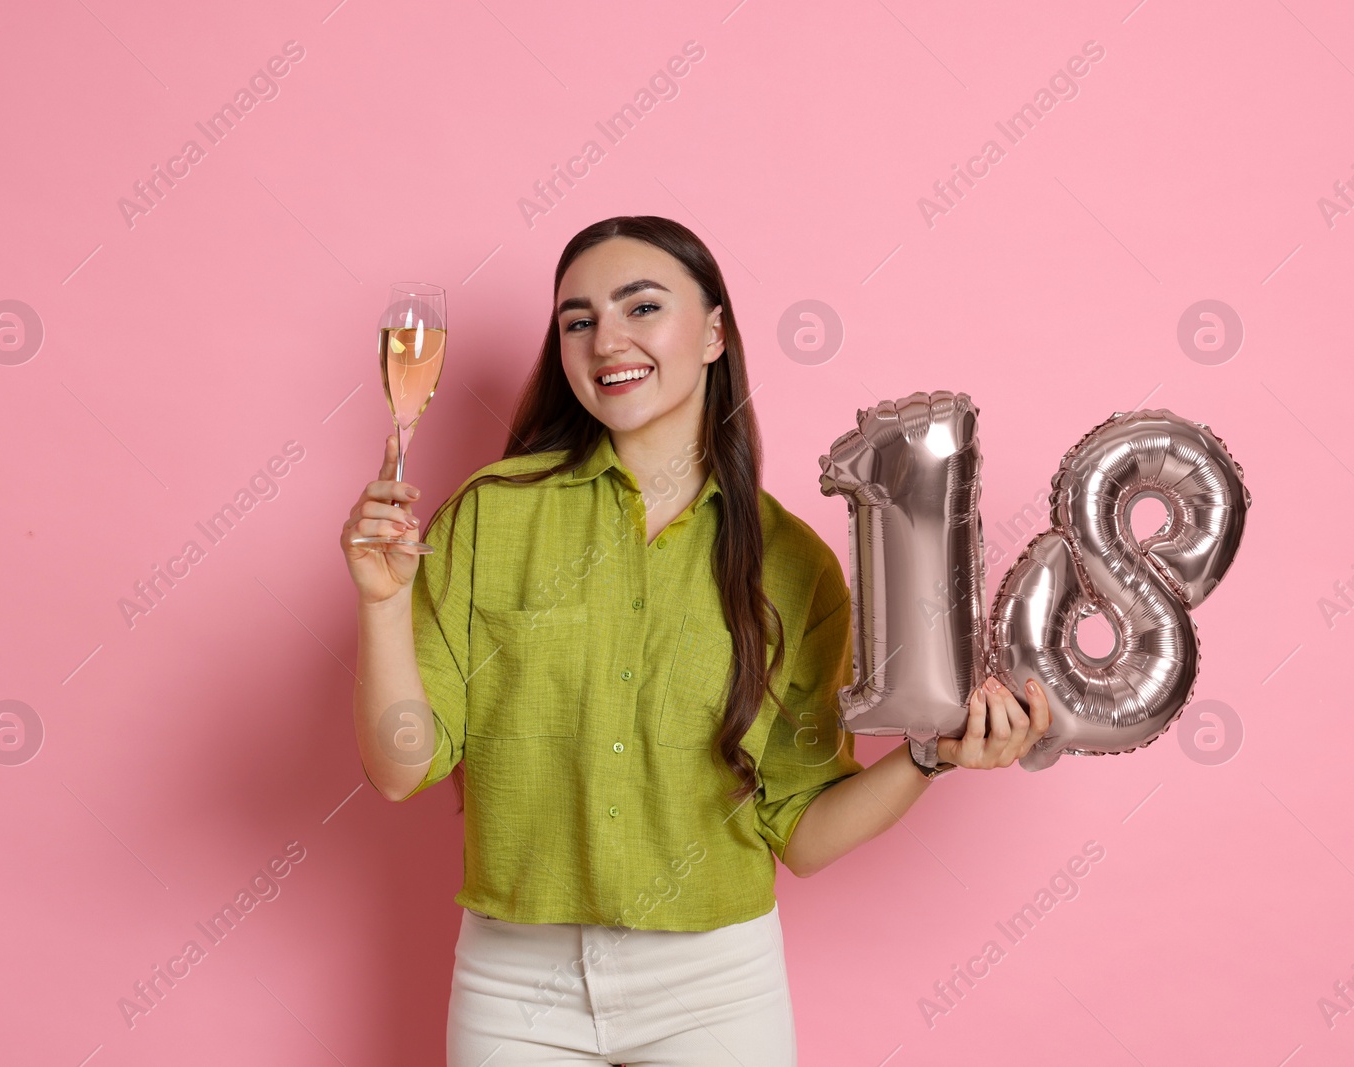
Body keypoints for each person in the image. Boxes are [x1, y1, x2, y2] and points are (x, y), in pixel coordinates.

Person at [342, 216, 1051, 1066]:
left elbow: (805, 833)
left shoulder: (795, 566)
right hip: (513, 987)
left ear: (715, 332)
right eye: (578, 320)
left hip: (715, 985)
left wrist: (931, 755)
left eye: (642, 307)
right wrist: (383, 604)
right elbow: (397, 767)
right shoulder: (487, 515)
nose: (607, 339)